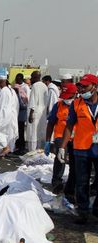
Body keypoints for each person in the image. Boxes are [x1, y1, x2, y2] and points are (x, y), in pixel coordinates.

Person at [59, 74, 98, 224]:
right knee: (81, 181)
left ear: (94, 87)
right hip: (81, 148)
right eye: (80, 86)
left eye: (85, 86)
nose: (81, 89)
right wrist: (62, 147)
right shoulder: (76, 104)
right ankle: (83, 211)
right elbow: (69, 126)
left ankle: (96, 208)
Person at [44, 83, 77, 198]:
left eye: (69, 96)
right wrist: (48, 141)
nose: (66, 99)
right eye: (65, 96)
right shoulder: (58, 105)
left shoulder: (80, 105)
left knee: (75, 163)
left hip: (76, 138)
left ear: (75, 94)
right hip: (60, 137)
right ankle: (56, 184)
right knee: (60, 159)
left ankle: (71, 186)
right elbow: (51, 123)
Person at [26, 71, 48, 151]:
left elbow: (33, 101)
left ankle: (32, 152)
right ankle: (39, 152)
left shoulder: (35, 86)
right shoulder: (44, 86)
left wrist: (31, 114)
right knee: (39, 134)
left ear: (35, 77)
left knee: (33, 134)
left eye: (32, 77)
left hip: (35, 113)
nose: (31, 79)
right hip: (42, 113)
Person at [14, 73, 31, 153]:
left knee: (21, 129)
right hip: (16, 109)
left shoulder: (25, 87)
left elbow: (27, 98)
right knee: (16, 129)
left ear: (21, 79)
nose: (16, 80)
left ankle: (22, 147)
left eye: (18, 79)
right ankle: (17, 145)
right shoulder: (16, 86)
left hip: (23, 110)